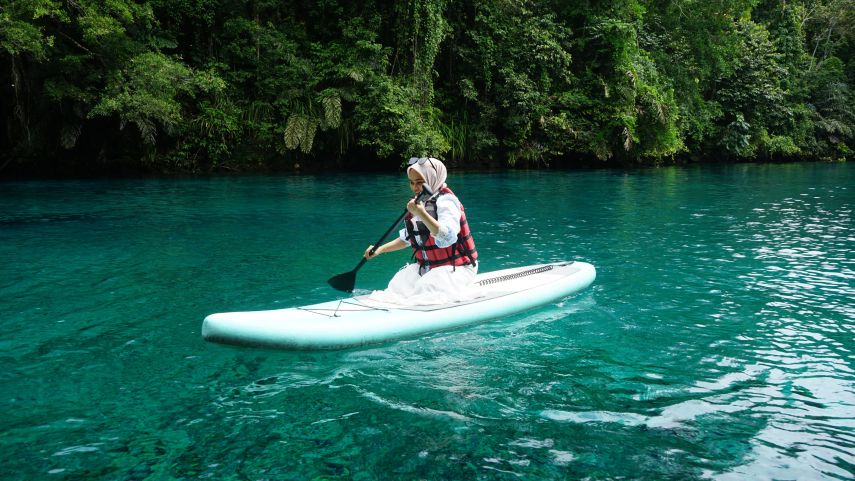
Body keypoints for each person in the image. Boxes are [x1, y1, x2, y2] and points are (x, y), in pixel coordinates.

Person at [363, 157, 479, 305]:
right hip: (429, 269)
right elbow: (408, 237)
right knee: (398, 284)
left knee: (426, 288)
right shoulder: (420, 203)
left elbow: (448, 237)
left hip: (457, 269)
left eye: (420, 182)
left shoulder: (447, 202)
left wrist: (422, 214)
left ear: (433, 179)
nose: (415, 188)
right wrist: (380, 249)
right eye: (412, 183)